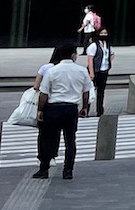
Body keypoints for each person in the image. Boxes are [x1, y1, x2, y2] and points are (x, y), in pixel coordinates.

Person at [35, 42, 92, 179]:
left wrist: (40, 110)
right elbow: (86, 92)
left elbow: (44, 93)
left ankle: (44, 169)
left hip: (53, 108)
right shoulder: (82, 71)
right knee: (70, 140)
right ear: (73, 55)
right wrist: (84, 107)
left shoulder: (52, 71)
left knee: (48, 138)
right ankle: (68, 171)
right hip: (71, 108)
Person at [82, 22, 114, 117]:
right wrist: (91, 73)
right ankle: (85, 110)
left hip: (104, 71)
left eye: (105, 33)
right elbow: (90, 59)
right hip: (95, 71)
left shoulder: (108, 45)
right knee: (89, 91)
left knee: (101, 92)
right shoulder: (94, 45)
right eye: (102, 33)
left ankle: (100, 111)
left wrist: (108, 62)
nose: (104, 35)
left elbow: (112, 54)